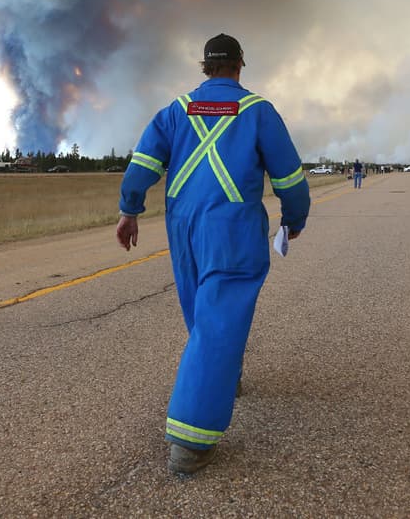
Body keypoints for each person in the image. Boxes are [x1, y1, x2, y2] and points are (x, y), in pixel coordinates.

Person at [116, 33, 310, 475]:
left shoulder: (175, 110)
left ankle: (221, 375)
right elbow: (289, 176)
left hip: (183, 226)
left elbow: (143, 165)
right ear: (241, 64)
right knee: (219, 319)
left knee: (202, 312)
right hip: (232, 227)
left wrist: (129, 210)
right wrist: (294, 219)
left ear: (205, 66)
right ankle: (190, 438)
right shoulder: (259, 110)